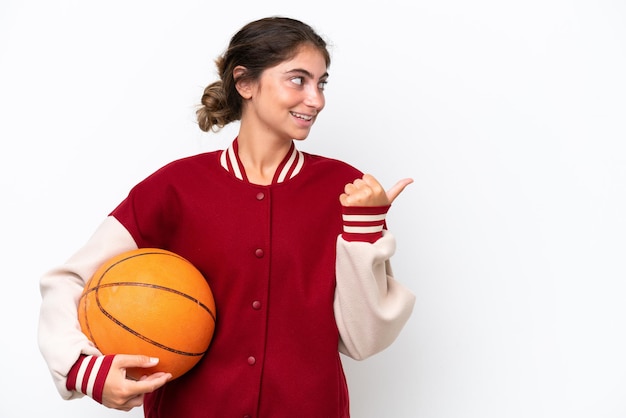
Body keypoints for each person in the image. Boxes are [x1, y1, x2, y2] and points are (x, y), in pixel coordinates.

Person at [38, 16, 416, 418]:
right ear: (245, 82)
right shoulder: (175, 187)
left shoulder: (346, 189)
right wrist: (84, 370)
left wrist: (364, 230)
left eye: (321, 83)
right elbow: (69, 281)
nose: (316, 99)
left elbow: (364, 341)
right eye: (298, 80)